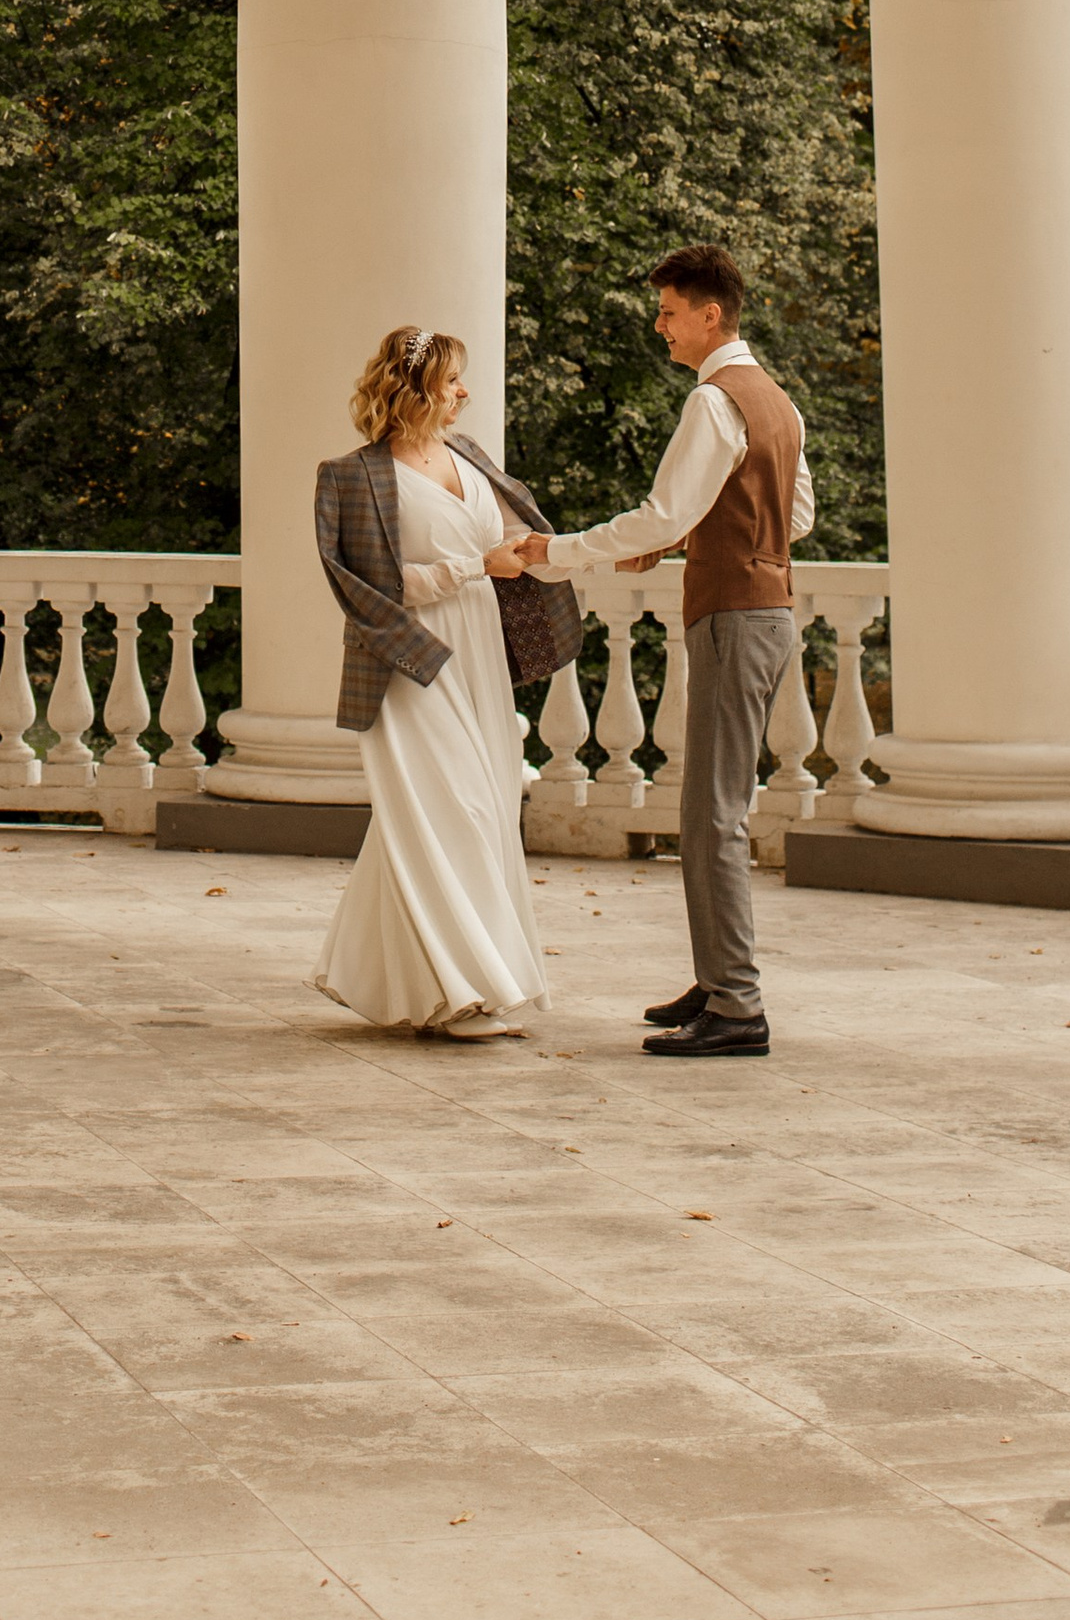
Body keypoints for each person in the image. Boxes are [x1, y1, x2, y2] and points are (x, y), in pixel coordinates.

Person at [520, 244, 812, 1061]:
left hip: (733, 617)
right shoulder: (776, 403)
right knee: (708, 809)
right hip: (767, 611)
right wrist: (703, 530)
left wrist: (559, 550)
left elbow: (659, 513)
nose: (661, 328)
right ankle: (718, 978)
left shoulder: (714, 402)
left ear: (709, 315)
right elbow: (801, 515)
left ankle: (737, 1005)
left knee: (711, 816)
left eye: (669, 312)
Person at [311, 325, 582, 1040]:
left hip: (480, 655)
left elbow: (519, 544)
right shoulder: (350, 475)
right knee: (452, 811)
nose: (466, 391)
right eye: (454, 379)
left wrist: (596, 552)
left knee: (478, 809)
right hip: (409, 663)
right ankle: (468, 991)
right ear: (417, 387)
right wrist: (472, 569)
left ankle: (368, 973)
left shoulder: (472, 456)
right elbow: (367, 586)